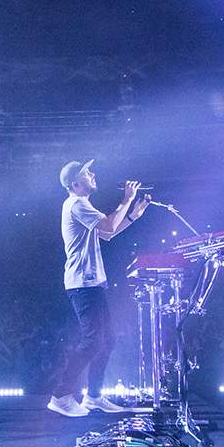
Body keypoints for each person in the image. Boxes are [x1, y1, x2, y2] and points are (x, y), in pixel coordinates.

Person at [46, 159, 149, 417]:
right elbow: (110, 225)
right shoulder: (76, 204)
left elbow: (108, 233)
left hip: (91, 282)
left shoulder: (83, 205)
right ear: (75, 183)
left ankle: (93, 396)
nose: (92, 174)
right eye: (86, 173)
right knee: (93, 341)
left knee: (107, 340)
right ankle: (60, 396)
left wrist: (133, 216)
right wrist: (127, 200)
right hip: (82, 283)